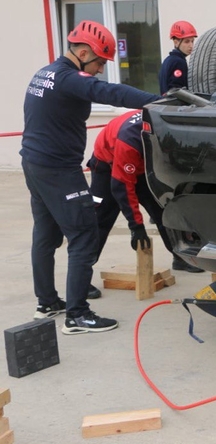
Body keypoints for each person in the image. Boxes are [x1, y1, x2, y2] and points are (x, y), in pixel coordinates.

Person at [21, 20, 162, 334]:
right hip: (58, 170)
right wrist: (158, 100)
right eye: (99, 61)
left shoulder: (44, 73)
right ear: (82, 52)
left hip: (34, 164)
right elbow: (109, 92)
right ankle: (78, 315)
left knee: (45, 236)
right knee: (84, 234)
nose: (100, 69)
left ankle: (47, 302)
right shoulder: (68, 79)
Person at [87, 110, 204, 274]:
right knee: (100, 219)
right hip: (108, 163)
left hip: (143, 165)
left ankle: (180, 257)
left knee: (164, 210)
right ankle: (82, 274)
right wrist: (136, 226)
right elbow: (122, 188)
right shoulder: (129, 143)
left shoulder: (168, 131)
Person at [159, 21, 197, 95]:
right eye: (187, 42)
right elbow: (176, 90)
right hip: (177, 105)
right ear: (176, 42)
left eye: (192, 41)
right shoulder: (178, 62)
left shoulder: (168, 60)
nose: (191, 45)